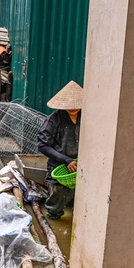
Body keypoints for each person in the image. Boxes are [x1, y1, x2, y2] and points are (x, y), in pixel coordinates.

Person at [37, 80, 82, 220]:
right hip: (59, 166)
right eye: (70, 106)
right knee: (55, 205)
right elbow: (42, 145)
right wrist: (66, 160)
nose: (74, 109)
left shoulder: (87, 118)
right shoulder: (54, 120)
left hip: (80, 165)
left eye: (77, 106)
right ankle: (53, 220)